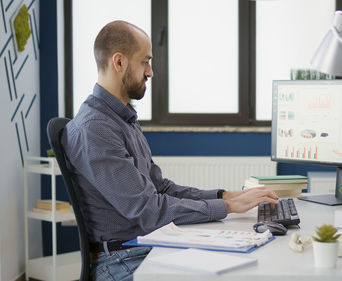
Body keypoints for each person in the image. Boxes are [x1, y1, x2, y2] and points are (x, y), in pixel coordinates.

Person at [62, 20, 279, 281]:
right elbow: (148, 210)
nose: (151, 72)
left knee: (242, 264)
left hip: (142, 246)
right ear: (118, 62)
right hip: (120, 261)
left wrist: (224, 195)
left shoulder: (122, 118)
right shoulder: (95, 128)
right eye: (145, 62)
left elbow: (160, 188)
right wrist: (227, 206)